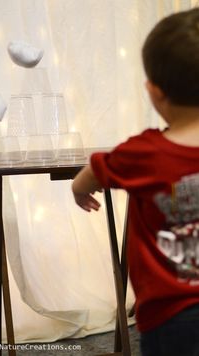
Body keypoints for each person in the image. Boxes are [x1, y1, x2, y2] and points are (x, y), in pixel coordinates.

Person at [72, 8, 199, 356]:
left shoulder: (142, 153)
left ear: (155, 92)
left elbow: (94, 171)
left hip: (171, 315)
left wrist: (78, 189)